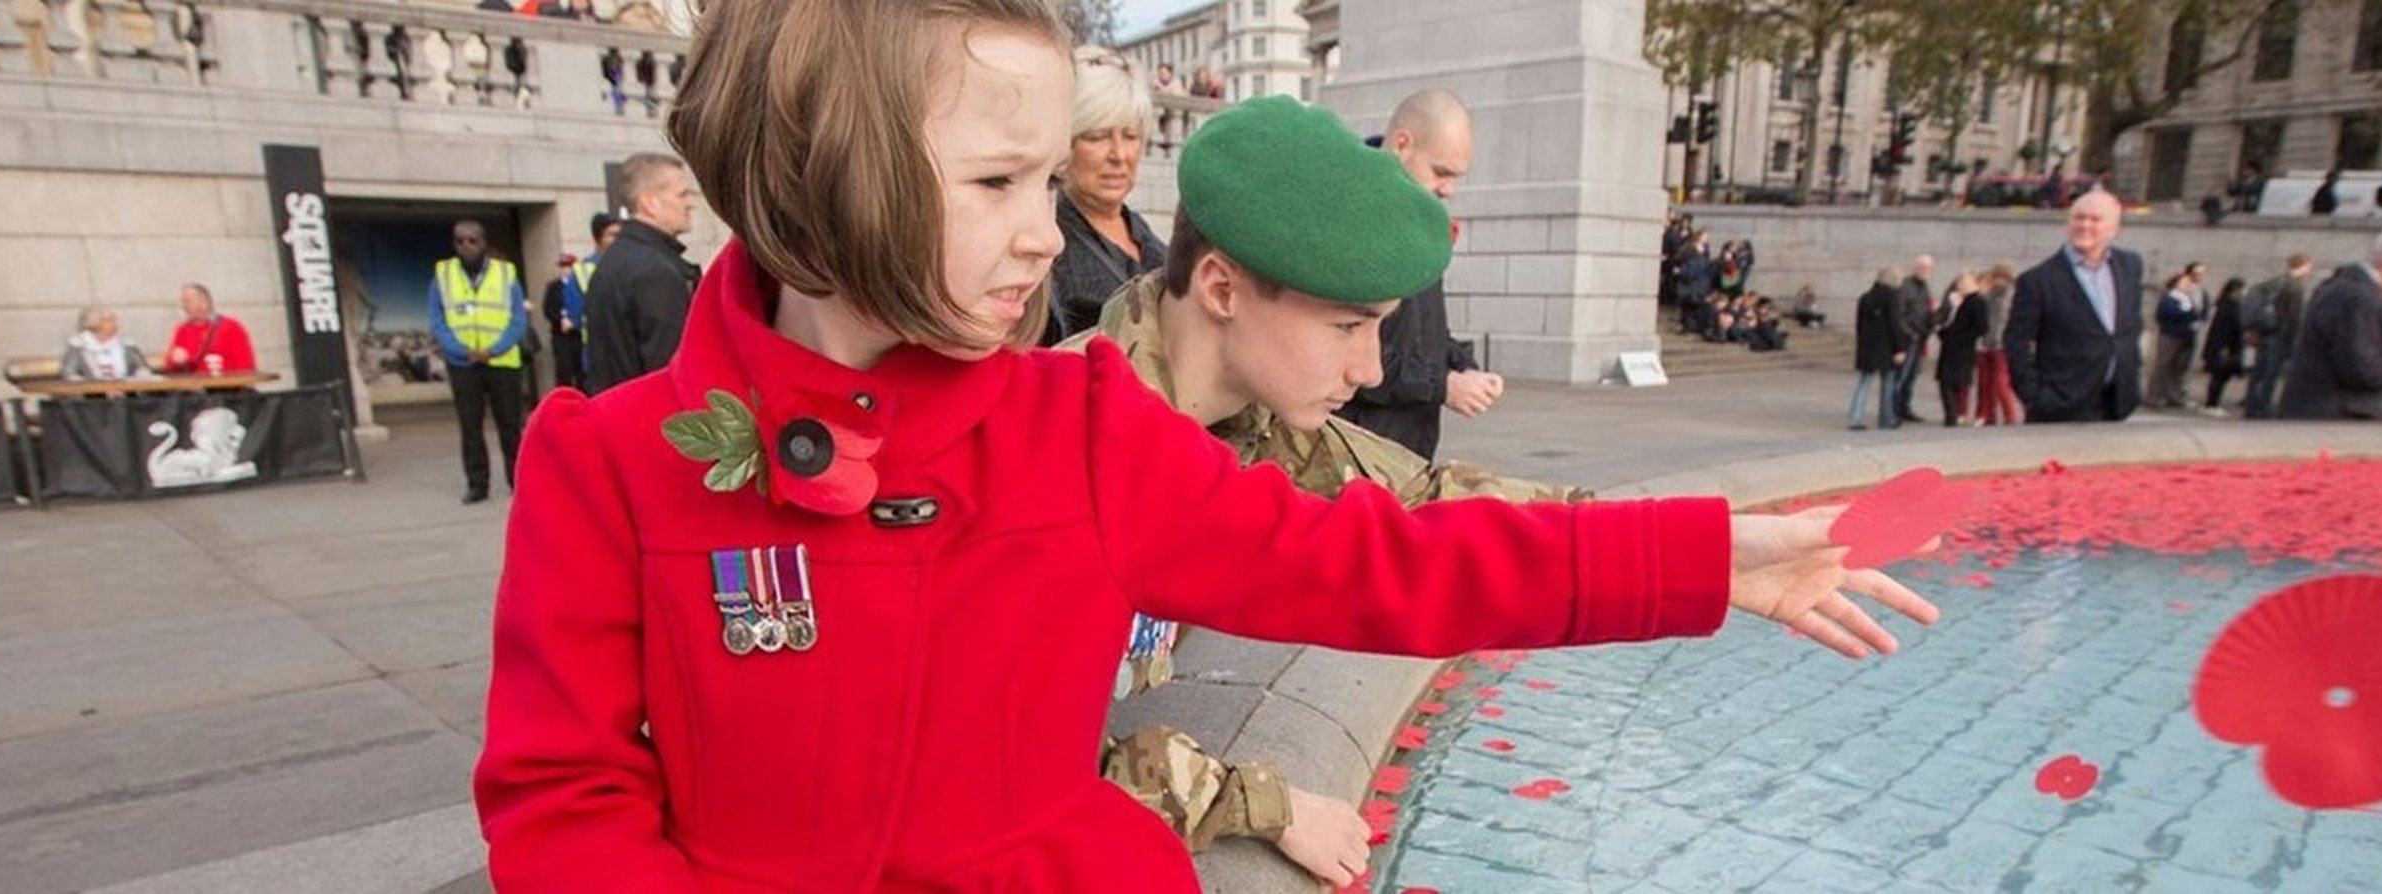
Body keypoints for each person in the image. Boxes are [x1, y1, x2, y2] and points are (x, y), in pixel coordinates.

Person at [470, 9, 1940, 893]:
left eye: (1051, 178)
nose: (1051, 228)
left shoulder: (1083, 423)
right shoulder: (605, 463)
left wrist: (1694, 552)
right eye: (997, 180)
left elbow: (1375, 560)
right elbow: (566, 801)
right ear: (812, 173)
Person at [1054, 108, 1596, 883]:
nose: (1371, 370)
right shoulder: (1067, 454)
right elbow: (1009, 756)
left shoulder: (1242, 416)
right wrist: (1260, 805)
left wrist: (1680, 543)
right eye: (1349, 327)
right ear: (1221, 288)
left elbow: (1423, 500)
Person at [1337, 89, 1501, 460]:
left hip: (1408, 449)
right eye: (1441, 172)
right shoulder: (1350, 223)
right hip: (1357, 455)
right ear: (1401, 145)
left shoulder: (1422, 224)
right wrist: (1443, 386)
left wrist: (1462, 365)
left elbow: (1426, 331)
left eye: (1456, 176)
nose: (1449, 189)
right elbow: (1348, 354)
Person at [1041, 49, 1164, 345]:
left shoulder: (1144, 235)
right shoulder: (1047, 248)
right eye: (1097, 137)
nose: (1118, 155)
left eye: (1131, 136)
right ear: (1064, 143)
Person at [2277, 221, 2382, 420]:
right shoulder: (2359, 299)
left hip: (2325, 410)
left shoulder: (2346, 288)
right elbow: (2360, 369)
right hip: (2337, 416)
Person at [2006, 191, 2145, 422]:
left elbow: (2130, 324)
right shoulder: (2038, 280)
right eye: (2079, 218)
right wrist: (2034, 395)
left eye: (2094, 219)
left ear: (2114, 228)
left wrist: (2132, 372)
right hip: (2061, 406)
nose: (2084, 225)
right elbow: (2016, 341)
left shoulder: (2130, 266)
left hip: (2118, 401)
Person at [429, 220, 530, 504]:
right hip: (463, 364)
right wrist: (461, 350)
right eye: (460, 241)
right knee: (470, 427)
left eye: (472, 240)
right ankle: (477, 484)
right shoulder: (443, 275)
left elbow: (518, 319)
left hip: (502, 361)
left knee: (510, 426)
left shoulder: (505, 273)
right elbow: (438, 321)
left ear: (484, 243)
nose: (466, 246)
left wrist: (494, 349)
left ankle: (519, 481)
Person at [583, 152, 702, 393]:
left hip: (615, 414)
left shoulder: (614, 260)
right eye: (682, 194)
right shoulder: (656, 272)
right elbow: (671, 372)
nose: (691, 203)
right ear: (649, 203)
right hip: (649, 423)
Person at [542, 213, 619, 395]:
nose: (618, 240)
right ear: (597, 238)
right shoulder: (580, 271)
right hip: (598, 356)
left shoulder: (633, 263)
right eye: (612, 235)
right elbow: (574, 315)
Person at [2237, 253, 2312, 419]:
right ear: (2303, 266)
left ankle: (2251, 405)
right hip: (2280, 334)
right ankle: (2261, 406)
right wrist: (2294, 339)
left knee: (2259, 372)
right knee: (2270, 373)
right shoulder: (2295, 287)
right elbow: (2294, 316)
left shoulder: (2275, 282)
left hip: (2265, 331)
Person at [1849, 266, 1909, 431]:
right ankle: (1886, 418)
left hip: (1868, 346)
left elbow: (1859, 325)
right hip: (1886, 346)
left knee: (1864, 382)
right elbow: (1894, 324)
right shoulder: (1892, 297)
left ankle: (1855, 417)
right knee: (1888, 383)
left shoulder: (1865, 298)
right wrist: (1900, 348)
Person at [157, 283, 258, 375]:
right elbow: (169, 366)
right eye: (183, 302)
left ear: (204, 302)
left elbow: (246, 366)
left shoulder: (231, 327)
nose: (183, 307)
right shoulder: (182, 329)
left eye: (187, 301)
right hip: (192, 389)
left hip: (227, 390)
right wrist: (176, 360)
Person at [1934, 273, 1989, 427]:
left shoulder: (1977, 303)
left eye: (1961, 284)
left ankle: (1952, 416)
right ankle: (1953, 414)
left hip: (1961, 348)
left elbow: (1981, 327)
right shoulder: (1961, 301)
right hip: (1953, 346)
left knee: (1950, 382)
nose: (1958, 287)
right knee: (1949, 382)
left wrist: (1958, 337)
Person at [2147, 262, 2205, 410]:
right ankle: (2153, 396)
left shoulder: (2188, 299)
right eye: (2185, 282)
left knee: (2178, 368)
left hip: (2185, 335)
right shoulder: (2169, 297)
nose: (2188, 285)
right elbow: (2165, 314)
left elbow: (2197, 314)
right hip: (2170, 335)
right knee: (2163, 365)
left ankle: (2173, 395)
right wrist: (2187, 314)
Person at [1972, 265, 2021, 426]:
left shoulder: (2011, 295)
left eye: (2000, 277)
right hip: (1987, 342)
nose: (1997, 281)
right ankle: (1988, 415)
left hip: (2002, 343)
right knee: (1986, 383)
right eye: (1996, 277)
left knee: (2001, 382)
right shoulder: (1989, 296)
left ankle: (2010, 416)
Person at [1890, 255, 1936, 424]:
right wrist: (1909, 333)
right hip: (1908, 338)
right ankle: (1893, 409)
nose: (1925, 271)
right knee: (1901, 376)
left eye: (1928, 268)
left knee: (1911, 376)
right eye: (1922, 267)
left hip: (1920, 337)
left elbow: (1925, 310)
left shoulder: (1924, 287)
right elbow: (1900, 313)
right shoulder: (1906, 286)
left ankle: (1904, 407)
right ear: (1915, 267)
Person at [59, 306, 152, 382]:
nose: (116, 325)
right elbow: (69, 375)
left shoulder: (127, 346)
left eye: (115, 321)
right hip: (91, 399)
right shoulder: (78, 347)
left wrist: (139, 376)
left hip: (126, 396)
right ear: (95, 324)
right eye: (110, 321)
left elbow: (143, 369)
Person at [2199, 277, 2247, 414]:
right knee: (2219, 377)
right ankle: (2211, 404)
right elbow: (2229, 328)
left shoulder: (2226, 305)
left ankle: (2212, 403)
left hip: (2224, 346)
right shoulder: (2229, 307)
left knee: (2220, 377)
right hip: (2224, 347)